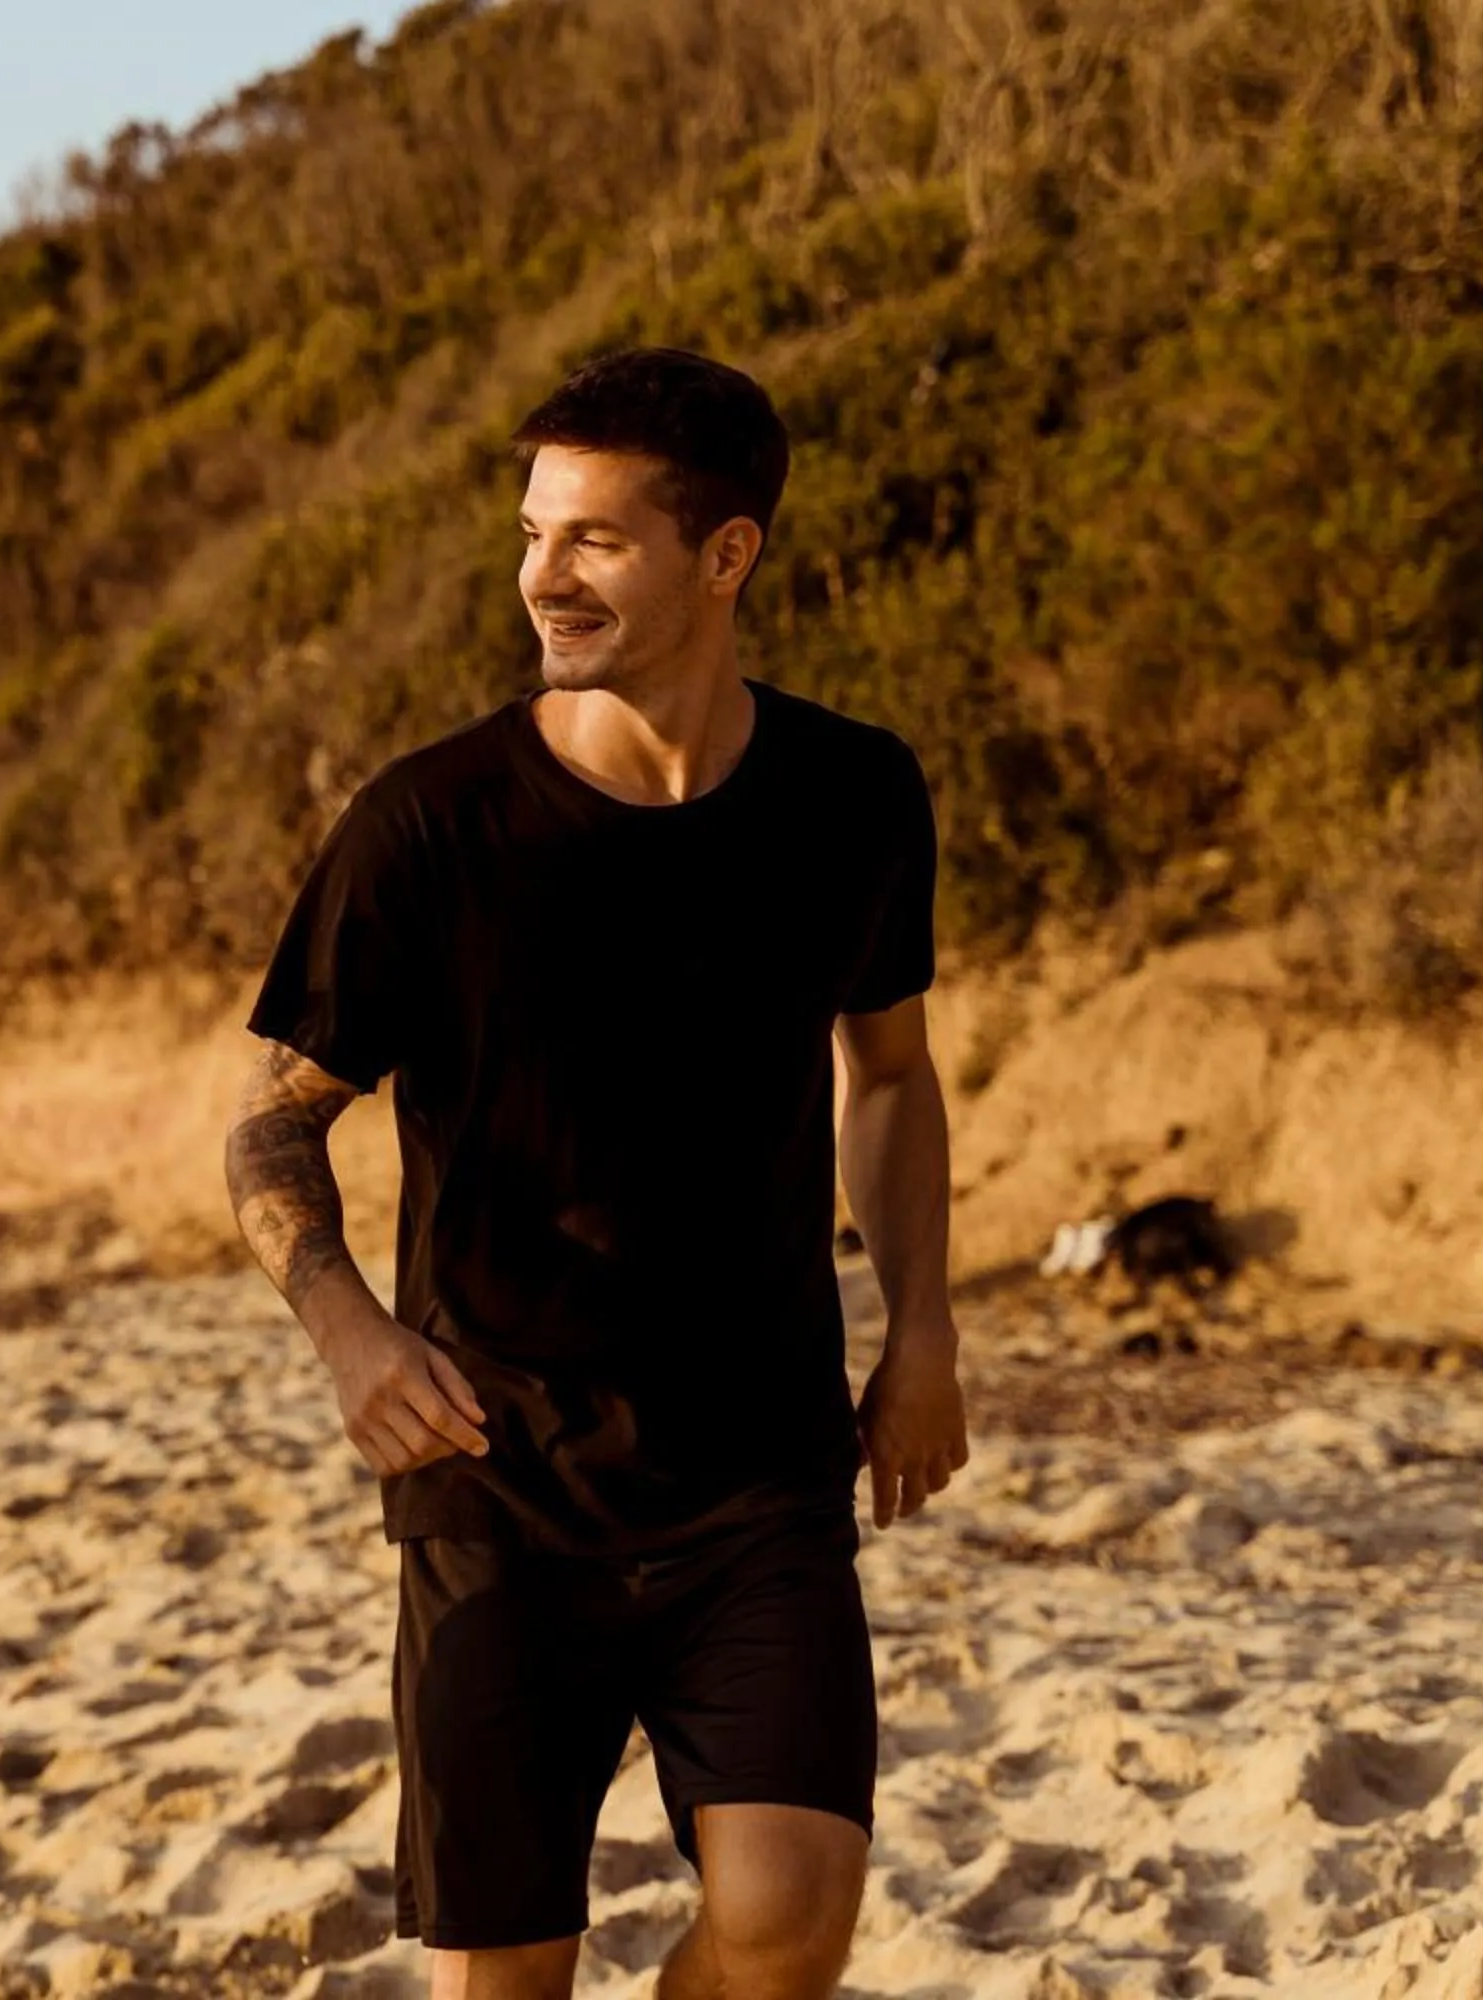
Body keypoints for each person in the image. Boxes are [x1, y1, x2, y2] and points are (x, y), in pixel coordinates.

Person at [223, 348, 967, 2000]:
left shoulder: (855, 793)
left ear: (727, 554)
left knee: (790, 1917)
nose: (543, 577)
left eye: (595, 541)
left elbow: (891, 1074)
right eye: (532, 533)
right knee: (513, 1977)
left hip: (760, 1474)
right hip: (498, 1484)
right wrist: (349, 1335)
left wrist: (923, 1327)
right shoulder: (426, 826)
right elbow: (271, 1124)